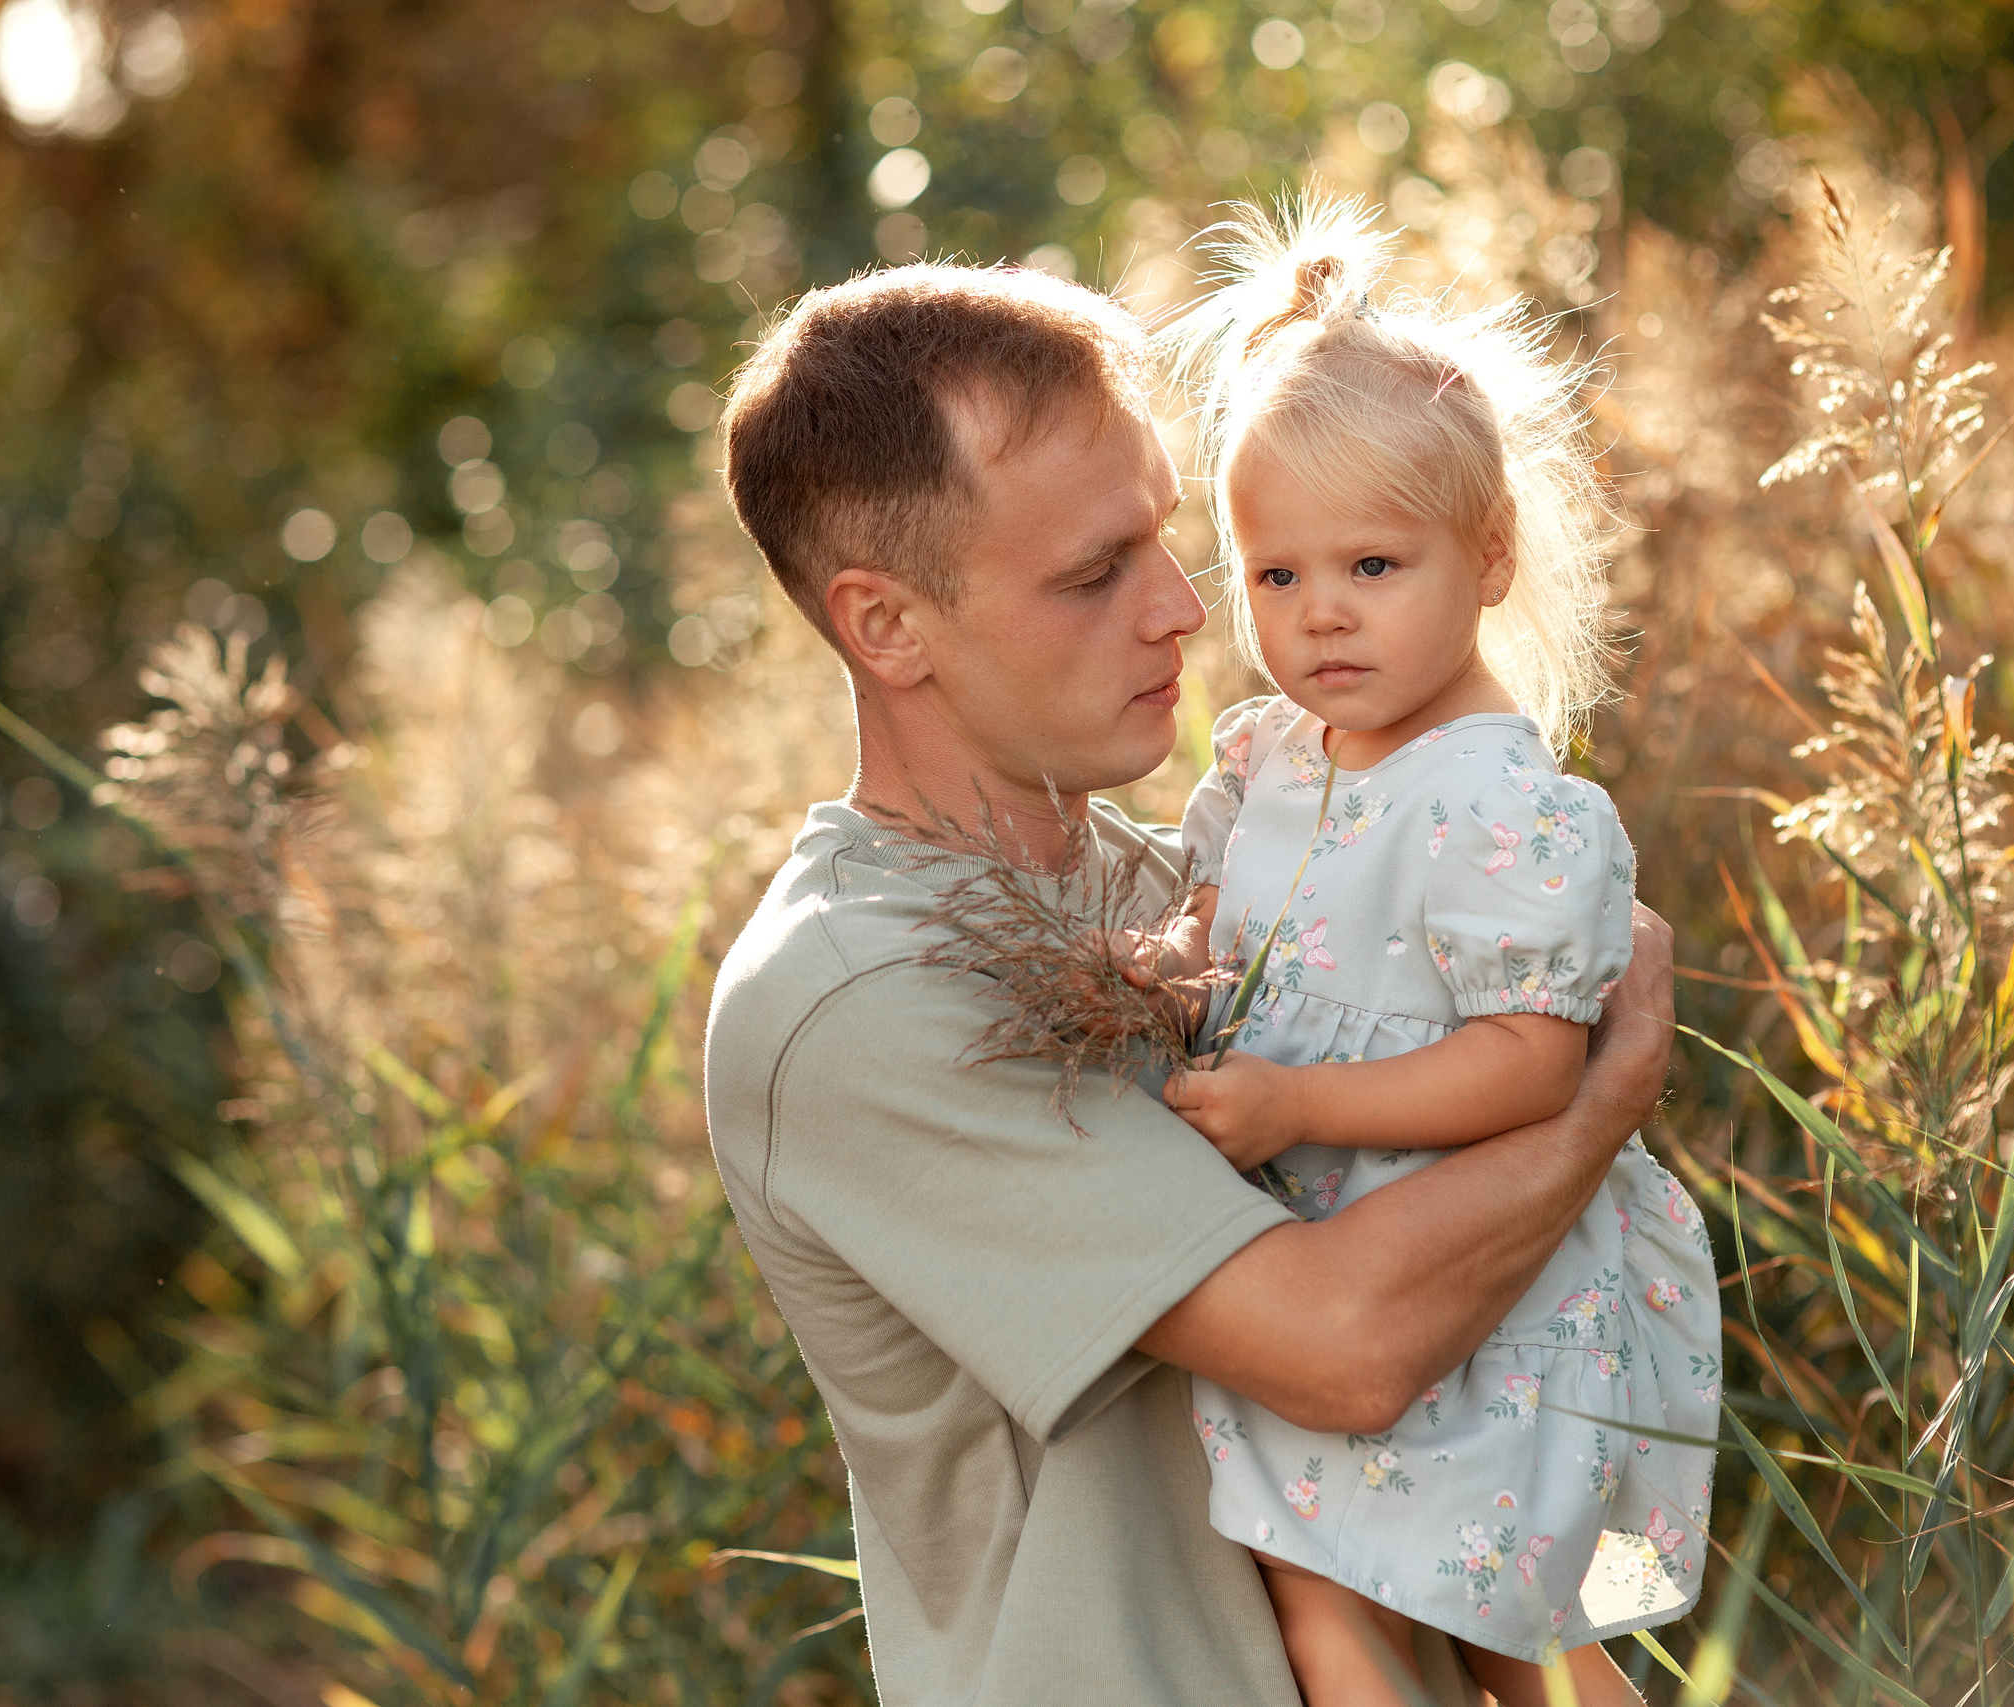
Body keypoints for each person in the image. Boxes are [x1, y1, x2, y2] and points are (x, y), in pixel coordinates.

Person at [703, 256, 1677, 1707]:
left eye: (1165, 538)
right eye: (1094, 573)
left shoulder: (1198, 887)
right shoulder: (858, 993)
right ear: (887, 623)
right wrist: (1601, 1091)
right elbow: (1343, 1350)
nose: (1180, 609)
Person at [1116, 204, 1716, 1707]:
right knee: (1362, 1592)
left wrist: (1298, 1105)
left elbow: (1533, 1067)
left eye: (1375, 565)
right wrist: (1176, 959)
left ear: (1490, 556)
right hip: (1333, 1254)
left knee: (1491, 1624)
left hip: (1487, 1274)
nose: (1321, 614)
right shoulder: (1271, 755)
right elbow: (1226, 913)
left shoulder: (1504, 804)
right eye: (1276, 576)